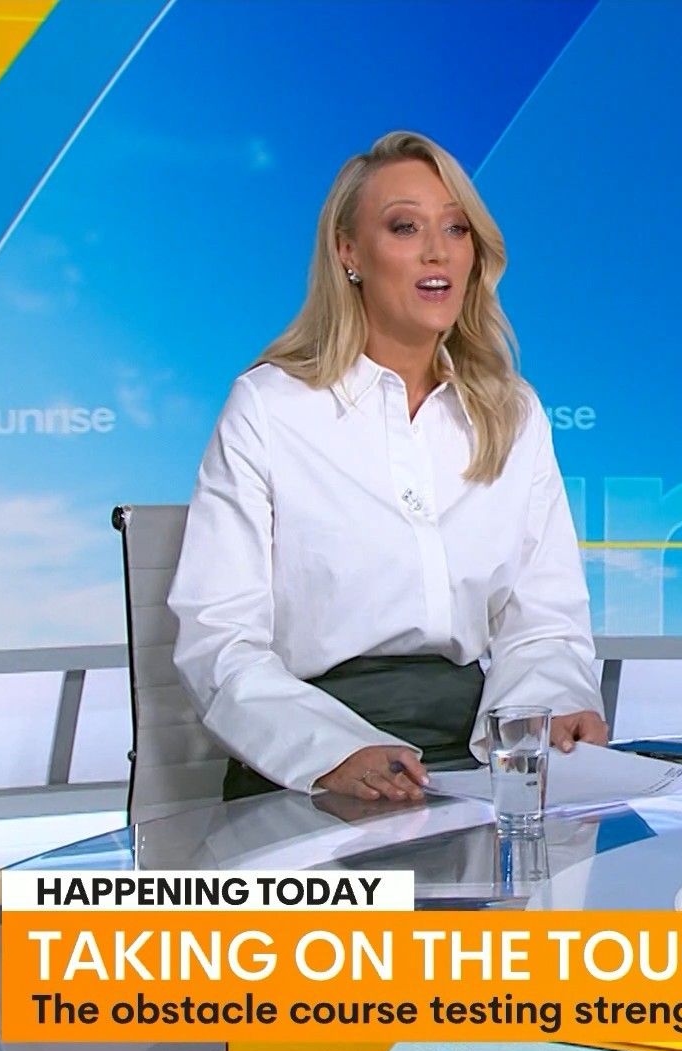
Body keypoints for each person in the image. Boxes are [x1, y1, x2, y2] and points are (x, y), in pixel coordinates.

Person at [169, 131, 607, 802]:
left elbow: (544, 620)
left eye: (456, 229)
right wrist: (333, 752)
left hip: (474, 758)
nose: (438, 252)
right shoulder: (270, 407)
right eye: (406, 227)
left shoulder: (512, 412)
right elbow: (218, 639)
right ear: (349, 252)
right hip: (309, 764)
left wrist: (552, 710)